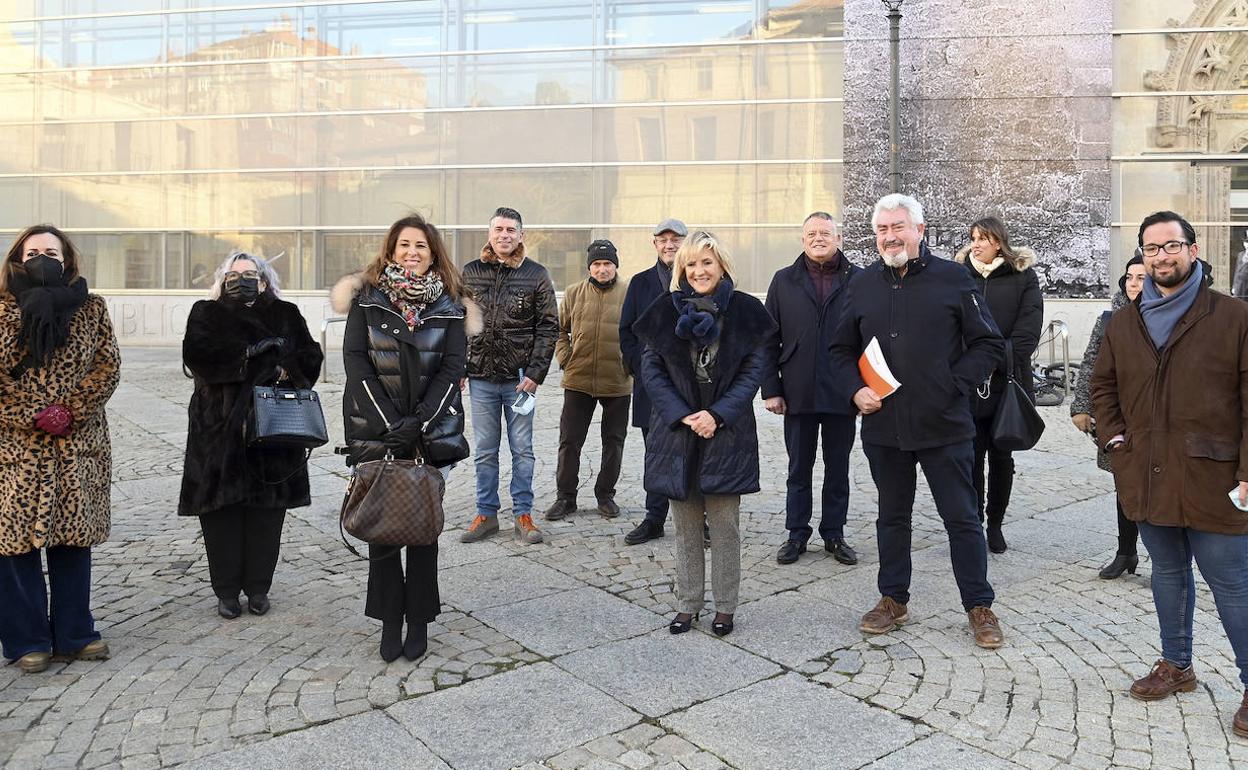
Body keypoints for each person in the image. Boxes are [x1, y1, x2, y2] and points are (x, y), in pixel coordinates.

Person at [1091, 210, 1248, 737]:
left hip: (1216, 477)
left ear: (1193, 250)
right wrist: (1115, 443)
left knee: (1232, 582)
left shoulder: (1234, 317)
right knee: (1168, 573)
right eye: (1151, 248)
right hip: (1148, 473)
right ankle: (1177, 665)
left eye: (1171, 246)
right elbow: (1103, 388)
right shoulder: (1122, 322)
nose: (1162, 255)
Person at [828, 194, 1006, 649]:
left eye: (899, 227)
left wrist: (952, 383)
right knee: (892, 516)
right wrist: (854, 388)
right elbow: (839, 350)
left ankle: (979, 606)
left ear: (920, 231)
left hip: (945, 424)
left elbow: (989, 344)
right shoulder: (861, 283)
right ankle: (893, 598)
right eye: (883, 229)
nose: (891, 237)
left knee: (963, 519)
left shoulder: (953, 278)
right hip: (884, 426)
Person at [333, 214, 477, 662]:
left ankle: (418, 621)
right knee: (383, 529)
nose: (412, 252)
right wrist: (389, 424)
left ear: (434, 253)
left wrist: (419, 422)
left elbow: (453, 367)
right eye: (404, 245)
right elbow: (356, 361)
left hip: (430, 430)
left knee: (420, 528)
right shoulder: (368, 299)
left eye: (421, 246)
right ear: (391, 250)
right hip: (376, 427)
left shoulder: (453, 303)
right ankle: (389, 621)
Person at [633, 231, 775, 637]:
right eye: (691, 264)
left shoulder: (747, 311)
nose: (699, 270)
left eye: (707, 263)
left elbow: (753, 372)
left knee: (725, 527)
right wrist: (685, 415)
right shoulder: (662, 311)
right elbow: (651, 372)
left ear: (722, 266)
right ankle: (687, 604)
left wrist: (717, 414)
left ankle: (725, 607)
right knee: (686, 525)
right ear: (682, 268)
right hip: (677, 433)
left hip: (726, 432)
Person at [0, 224, 120, 674]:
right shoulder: (1, 309)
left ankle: (75, 633)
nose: (42, 258)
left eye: (51, 251)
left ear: (67, 258)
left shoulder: (90, 308)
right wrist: (32, 414)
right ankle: (26, 639)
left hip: (77, 443)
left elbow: (108, 365)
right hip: (15, 448)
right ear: (18, 258)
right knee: (14, 548)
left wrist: (71, 409)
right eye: (33, 251)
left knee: (73, 542)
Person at [178, 250, 323, 620]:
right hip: (218, 430)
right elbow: (198, 355)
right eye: (234, 273)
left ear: (264, 279)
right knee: (221, 513)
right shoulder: (205, 312)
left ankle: (259, 588)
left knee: (266, 514)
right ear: (223, 279)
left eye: (250, 273)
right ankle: (226, 591)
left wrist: (284, 368)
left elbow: (309, 357)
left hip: (272, 428)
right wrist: (248, 354)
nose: (242, 278)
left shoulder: (285, 313)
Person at [763, 212, 861, 566]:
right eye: (811, 233)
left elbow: (870, 340)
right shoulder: (783, 281)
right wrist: (771, 389)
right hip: (797, 390)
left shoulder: (859, 280)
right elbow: (767, 339)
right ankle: (796, 533)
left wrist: (864, 388)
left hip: (842, 390)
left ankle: (834, 533)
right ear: (802, 240)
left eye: (825, 232)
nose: (818, 238)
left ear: (838, 237)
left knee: (838, 468)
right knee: (798, 468)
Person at [460, 207, 558, 545]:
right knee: (485, 450)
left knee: (523, 450)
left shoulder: (537, 274)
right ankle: (486, 514)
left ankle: (523, 514)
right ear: (489, 234)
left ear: (521, 235)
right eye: (499, 229)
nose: (504, 235)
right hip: (481, 379)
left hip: (521, 381)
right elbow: (458, 321)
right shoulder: (470, 273)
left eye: (511, 230)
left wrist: (536, 373)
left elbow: (549, 327)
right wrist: (460, 366)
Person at [953, 217, 1043, 554]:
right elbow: (951, 325)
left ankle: (995, 524)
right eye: (973, 237)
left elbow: (1027, 332)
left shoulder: (1023, 277)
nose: (976, 244)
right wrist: (970, 366)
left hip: (1007, 382)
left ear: (999, 242)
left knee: (1002, 457)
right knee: (970, 456)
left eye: (983, 238)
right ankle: (973, 522)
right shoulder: (960, 276)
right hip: (969, 382)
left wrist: (992, 358)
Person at [544, 240, 631, 521]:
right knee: (570, 441)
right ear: (589, 267)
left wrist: (630, 364)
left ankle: (605, 495)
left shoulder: (630, 293)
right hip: (578, 380)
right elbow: (559, 330)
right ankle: (565, 498)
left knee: (613, 441)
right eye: (596, 264)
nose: (602, 269)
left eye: (607, 264)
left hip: (617, 381)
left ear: (615, 265)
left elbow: (640, 333)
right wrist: (566, 358)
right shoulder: (573, 293)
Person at [619, 218, 693, 545]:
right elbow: (627, 332)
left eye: (675, 239)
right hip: (651, 386)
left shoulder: (698, 278)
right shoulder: (640, 283)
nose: (669, 245)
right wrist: (643, 370)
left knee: (693, 451)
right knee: (656, 452)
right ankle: (655, 517)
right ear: (655, 244)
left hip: (692, 386)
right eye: (663, 240)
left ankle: (696, 518)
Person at [1070, 253, 1144, 579]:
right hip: (1118, 416)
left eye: (1141, 278)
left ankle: (1170, 562)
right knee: (1125, 485)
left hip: (1155, 418)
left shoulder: (1168, 316)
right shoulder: (1110, 317)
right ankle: (1125, 552)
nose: (1133, 283)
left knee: (1159, 488)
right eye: (1129, 277)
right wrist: (1081, 406)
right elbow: (1091, 362)